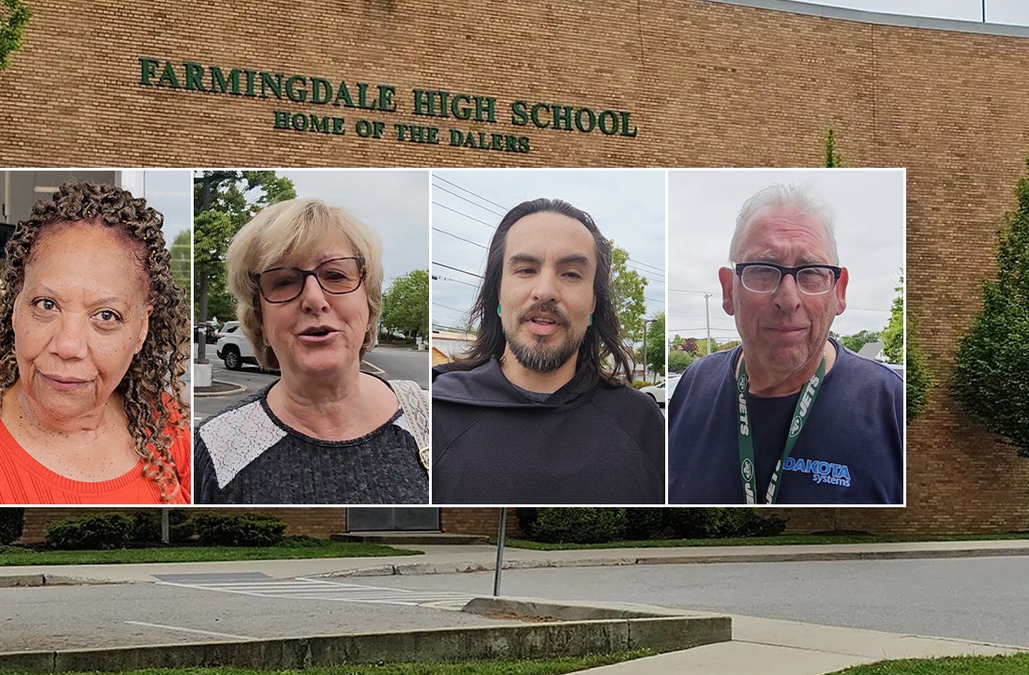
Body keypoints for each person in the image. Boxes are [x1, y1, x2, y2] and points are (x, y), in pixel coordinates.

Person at [0, 182, 191, 505]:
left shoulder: (168, 425)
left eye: (106, 315)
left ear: (140, 329)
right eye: (46, 304)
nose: (67, 346)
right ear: (15, 309)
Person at [668, 184, 904, 505]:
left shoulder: (891, 405)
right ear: (728, 291)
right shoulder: (693, 386)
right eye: (763, 270)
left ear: (839, 292)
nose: (788, 300)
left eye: (811, 274)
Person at [194, 198, 429, 504]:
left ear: (369, 305)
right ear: (259, 316)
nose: (314, 299)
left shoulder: (432, 419)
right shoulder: (216, 447)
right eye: (284, 281)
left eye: (335, 275)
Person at [432, 198, 665, 504]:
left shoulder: (641, 424)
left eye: (570, 274)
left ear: (594, 302)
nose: (545, 291)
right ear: (497, 293)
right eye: (526, 269)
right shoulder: (435, 415)